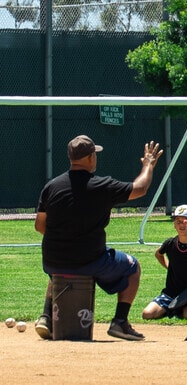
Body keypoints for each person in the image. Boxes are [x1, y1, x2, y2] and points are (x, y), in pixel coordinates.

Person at [34, 135, 163, 341]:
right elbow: (140, 188)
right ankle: (120, 322)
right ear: (91, 157)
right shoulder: (102, 186)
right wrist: (148, 164)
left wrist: (67, 239)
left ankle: (47, 317)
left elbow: (40, 226)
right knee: (133, 267)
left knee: (60, 264)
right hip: (90, 261)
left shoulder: (52, 186)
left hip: (53, 262)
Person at [142, 205, 187, 320]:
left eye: (185, 221)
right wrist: (168, 267)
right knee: (147, 314)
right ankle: (173, 309)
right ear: (174, 224)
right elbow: (158, 254)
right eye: (177, 221)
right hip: (171, 293)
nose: (181, 224)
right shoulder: (170, 244)